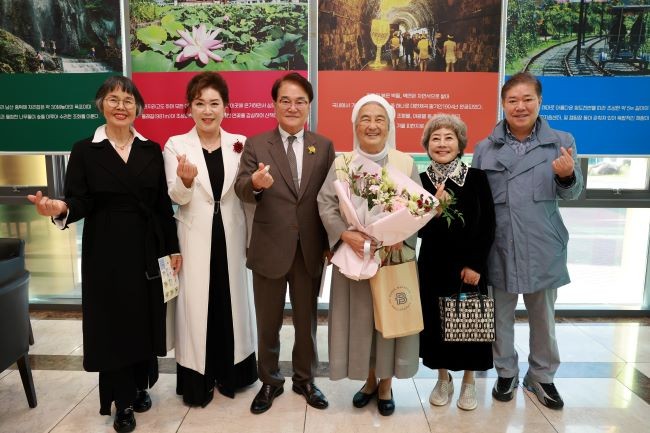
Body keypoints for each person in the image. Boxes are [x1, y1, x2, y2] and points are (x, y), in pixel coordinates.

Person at [27, 76, 180, 433]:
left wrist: (172, 248)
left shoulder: (151, 149)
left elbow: (161, 205)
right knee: (113, 324)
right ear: (101, 104)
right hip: (106, 250)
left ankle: (140, 385)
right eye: (113, 99)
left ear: (138, 108)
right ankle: (120, 400)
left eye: (128, 100)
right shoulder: (85, 150)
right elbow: (79, 200)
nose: (121, 106)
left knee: (143, 319)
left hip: (147, 248)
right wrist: (59, 208)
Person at [472, 72, 583, 410]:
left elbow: (574, 193)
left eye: (527, 99)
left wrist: (566, 175)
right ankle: (506, 372)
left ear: (539, 101)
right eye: (512, 101)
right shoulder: (485, 148)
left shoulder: (561, 141)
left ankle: (542, 376)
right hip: (499, 245)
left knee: (543, 318)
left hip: (542, 244)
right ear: (503, 104)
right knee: (498, 317)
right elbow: (476, 202)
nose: (520, 107)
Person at [235, 72, 335, 414]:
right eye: (285, 100)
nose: (293, 107)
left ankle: (305, 379)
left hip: (309, 249)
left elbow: (331, 197)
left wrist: (330, 243)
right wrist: (256, 183)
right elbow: (241, 188)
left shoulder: (323, 146)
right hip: (268, 247)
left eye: (300, 101)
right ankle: (269, 380)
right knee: (268, 322)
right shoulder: (256, 144)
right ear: (275, 105)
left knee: (307, 322)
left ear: (309, 106)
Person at [317, 94, 421, 416]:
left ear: (389, 126)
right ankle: (370, 380)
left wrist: (399, 236)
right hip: (354, 258)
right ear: (355, 125)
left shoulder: (405, 163)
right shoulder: (342, 163)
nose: (372, 125)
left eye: (379, 119)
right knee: (362, 322)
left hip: (391, 259)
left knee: (388, 321)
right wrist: (344, 234)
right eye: (365, 118)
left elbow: (417, 208)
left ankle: (386, 384)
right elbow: (326, 204)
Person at [163, 72, 258, 408]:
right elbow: (175, 196)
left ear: (226, 107)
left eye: (214, 103)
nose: (207, 110)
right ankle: (198, 379)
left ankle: (232, 374)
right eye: (199, 103)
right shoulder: (176, 145)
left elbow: (247, 192)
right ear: (189, 107)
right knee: (197, 307)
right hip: (194, 237)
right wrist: (186, 182)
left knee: (230, 302)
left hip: (232, 234)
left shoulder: (241, 143)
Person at [417, 114, 495, 411]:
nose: (442, 143)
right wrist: (434, 213)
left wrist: (476, 264)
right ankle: (443, 378)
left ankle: (469, 382)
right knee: (436, 327)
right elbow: (416, 230)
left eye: (448, 137)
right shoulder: (420, 182)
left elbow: (488, 225)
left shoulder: (477, 178)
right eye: (435, 138)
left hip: (468, 266)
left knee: (469, 325)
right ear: (427, 145)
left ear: (460, 144)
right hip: (433, 265)